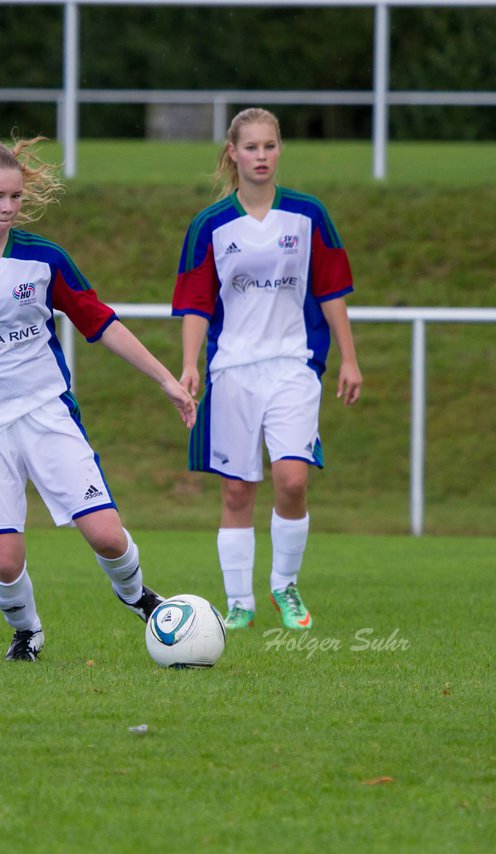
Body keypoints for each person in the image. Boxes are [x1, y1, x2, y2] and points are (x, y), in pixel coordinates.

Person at [0, 138, 197, 661]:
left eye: (15, 197)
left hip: (45, 411)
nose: (7, 208)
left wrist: (165, 378)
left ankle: (140, 598)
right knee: (6, 562)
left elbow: (100, 320)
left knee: (106, 535)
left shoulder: (44, 259)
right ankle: (27, 632)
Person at [171, 108, 362, 632]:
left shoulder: (308, 215)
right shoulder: (209, 225)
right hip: (232, 369)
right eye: (251, 147)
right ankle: (240, 602)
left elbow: (331, 291)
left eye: (270, 146)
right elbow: (195, 303)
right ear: (232, 152)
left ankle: (285, 585)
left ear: (280, 151)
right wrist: (190, 365)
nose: (261, 156)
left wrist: (349, 358)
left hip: (293, 365)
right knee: (236, 490)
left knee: (292, 479)